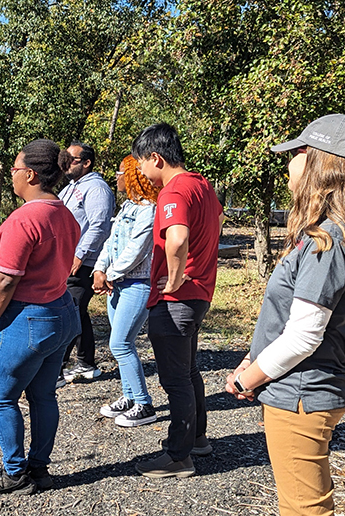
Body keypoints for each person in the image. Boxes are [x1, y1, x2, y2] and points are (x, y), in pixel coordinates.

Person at [225, 114, 345, 516]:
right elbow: (291, 321)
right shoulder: (331, 234)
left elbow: (303, 334)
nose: (289, 164)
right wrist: (252, 359)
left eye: (297, 153)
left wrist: (250, 379)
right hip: (304, 388)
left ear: (321, 161)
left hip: (300, 393)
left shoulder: (326, 241)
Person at [0, 139, 81, 495]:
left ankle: (15, 473)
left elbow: (6, 279)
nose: (12, 174)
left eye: (15, 168)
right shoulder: (64, 213)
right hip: (61, 312)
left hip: (28, 317)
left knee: (0, 396)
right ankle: (39, 467)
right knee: (43, 394)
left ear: (31, 175)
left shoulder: (26, 218)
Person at [132, 123, 223, 478]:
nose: (141, 171)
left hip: (176, 298)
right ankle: (196, 438)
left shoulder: (173, 192)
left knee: (175, 380)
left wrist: (171, 278)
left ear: (156, 157)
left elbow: (177, 237)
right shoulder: (202, 186)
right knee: (188, 371)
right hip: (199, 294)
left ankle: (178, 455)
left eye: (141, 162)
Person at [93, 155, 159, 427]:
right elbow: (111, 242)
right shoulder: (128, 206)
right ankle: (129, 396)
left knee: (119, 344)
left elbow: (137, 249)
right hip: (116, 285)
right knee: (123, 345)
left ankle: (144, 404)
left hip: (137, 285)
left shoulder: (150, 210)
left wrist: (110, 274)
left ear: (132, 175)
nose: (116, 177)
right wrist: (99, 269)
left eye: (120, 172)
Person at [57, 142, 114, 383]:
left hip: (84, 262)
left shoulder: (97, 189)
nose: (65, 163)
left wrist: (79, 255)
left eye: (71, 159)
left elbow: (99, 225)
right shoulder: (71, 187)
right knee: (76, 310)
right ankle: (86, 363)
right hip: (68, 259)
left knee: (68, 311)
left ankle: (55, 369)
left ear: (86, 162)